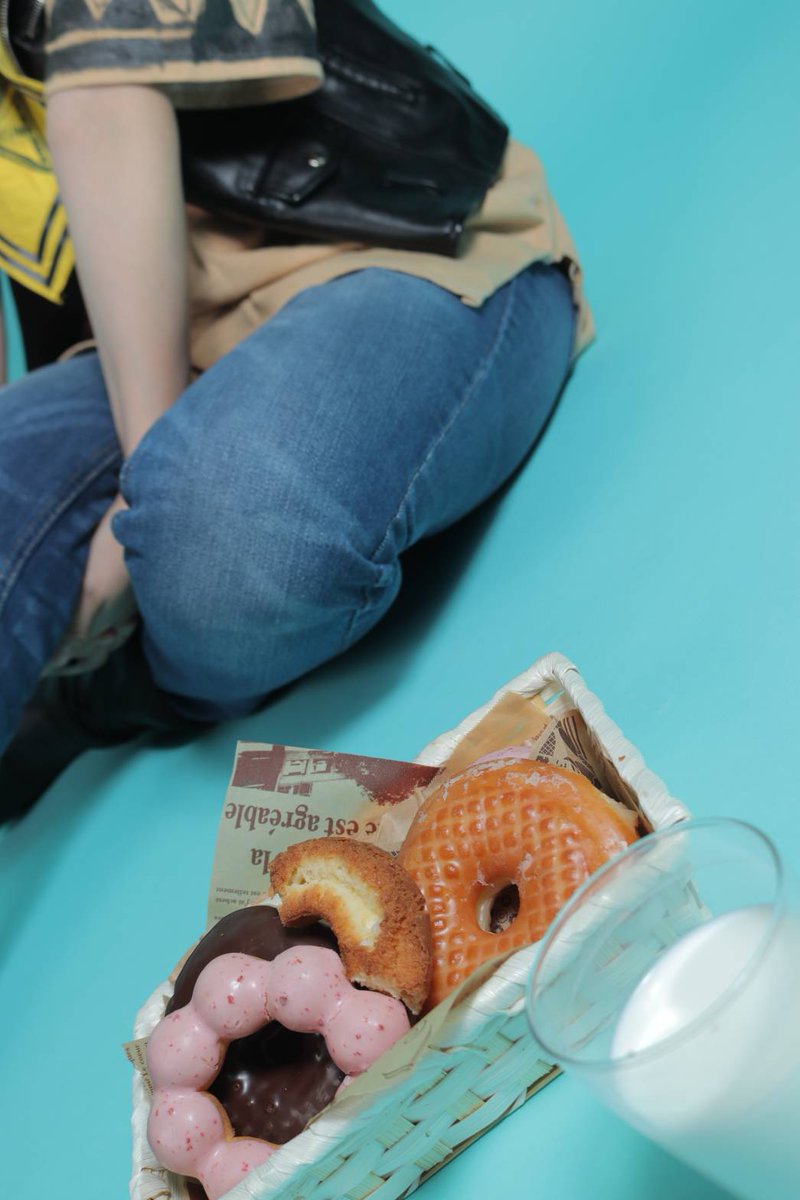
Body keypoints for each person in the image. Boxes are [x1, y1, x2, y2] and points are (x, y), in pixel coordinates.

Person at [0, 0, 592, 820]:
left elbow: (103, 109)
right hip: (140, 335)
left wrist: (130, 515)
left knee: (233, 540)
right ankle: (140, 635)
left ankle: (123, 685)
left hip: (393, 247)